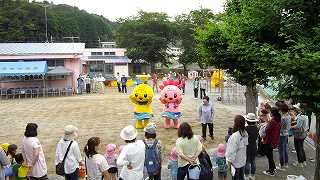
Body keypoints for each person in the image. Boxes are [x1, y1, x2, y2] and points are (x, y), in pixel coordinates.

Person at [226, 115, 248, 180]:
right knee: (241, 177)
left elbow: (231, 152)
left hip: (235, 163)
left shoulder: (234, 136)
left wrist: (229, 162)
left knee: (235, 177)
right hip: (242, 160)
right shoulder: (245, 133)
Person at [262, 108, 281, 177]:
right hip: (275, 139)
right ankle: (273, 167)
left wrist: (266, 126)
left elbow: (267, 130)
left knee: (269, 156)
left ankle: (271, 171)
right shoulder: (278, 120)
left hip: (270, 140)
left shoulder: (272, 121)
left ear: (272, 113)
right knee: (270, 155)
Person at [290, 104, 308, 168]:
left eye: (298, 108)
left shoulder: (301, 117)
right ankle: (304, 161)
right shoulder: (305, 115)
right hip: (303, 134)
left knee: (298, 149)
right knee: (301, 148)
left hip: (299, 135)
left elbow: (298, 126)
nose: (297, 109)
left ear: (301, 109)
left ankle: (300, 162)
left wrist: (290, 127)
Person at [244, 113, 259, 180]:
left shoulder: (245, 129)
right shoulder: (256, 128)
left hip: (247, 146)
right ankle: (253, 175)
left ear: (247, 121)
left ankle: (246, 175)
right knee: (253, 161)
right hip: (254, 146)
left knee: (247, 161)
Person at [278, 103, 291, 170]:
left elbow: (280, 128)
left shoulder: (283, 118)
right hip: (286, 134)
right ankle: (286, 163)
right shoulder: (289, 116)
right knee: (285, 149)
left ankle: (282, 165)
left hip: (282, 135)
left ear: (282, 110)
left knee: (281, 150)